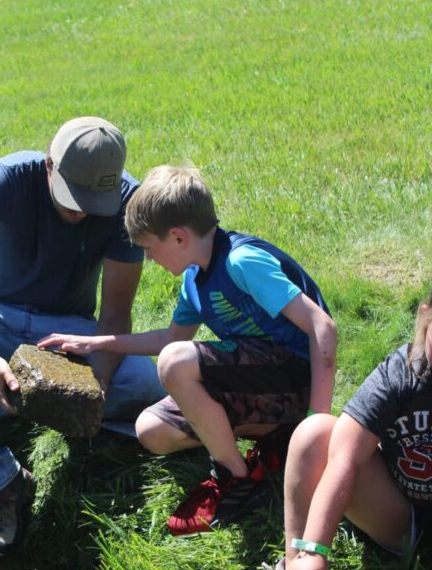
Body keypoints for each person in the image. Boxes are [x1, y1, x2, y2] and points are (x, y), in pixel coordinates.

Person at [0, 117, 163, 562]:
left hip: (64, 332)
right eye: (72, 198)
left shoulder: (125, 204)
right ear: (48, 164)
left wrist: (90, 389)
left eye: (91, 203)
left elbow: (115, 312)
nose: (80, 212)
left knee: (148, 386)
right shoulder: (8, 177)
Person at [39, 165, 336, 534]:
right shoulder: (195, 279)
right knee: (151, 431)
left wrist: (317, 421)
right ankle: (277, 436)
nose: (149, 259)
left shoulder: (242, 262)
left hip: (297, 376)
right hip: (260, 384)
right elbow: (170, 339)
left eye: (149, 248)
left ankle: (238, 479)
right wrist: (95, 342)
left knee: (177, 363)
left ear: (178, 237)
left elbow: (322, 326)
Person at [231, 265, 432, 570]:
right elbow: (344, 458)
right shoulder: (399, 374)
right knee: (314, 433)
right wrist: (314, 548)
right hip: (394, 516)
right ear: (424, 318)